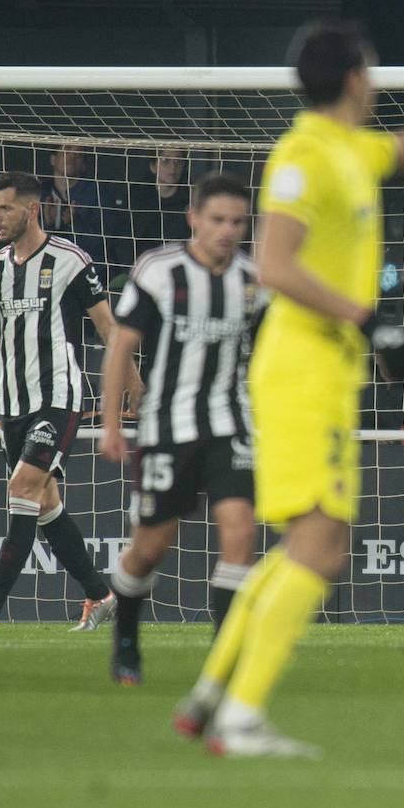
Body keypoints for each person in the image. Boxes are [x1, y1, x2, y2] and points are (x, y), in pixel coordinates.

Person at [172, 18, 404, 758]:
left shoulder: (352, 149)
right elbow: (274, 264)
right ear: (351, 76)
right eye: (371, 67)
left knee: (312, 545)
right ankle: (242, 716)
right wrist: (370, 320)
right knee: (319, 546)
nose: (376, 79)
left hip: (324, 371)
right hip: (301, 372)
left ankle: (214, 690)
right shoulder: (301, 155)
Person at [0, 171, 141, 632]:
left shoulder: (69, 260)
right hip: (12, 405)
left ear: (32, 209)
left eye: (5, 208)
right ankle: (101, 595)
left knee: (23, 488)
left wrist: (134, 383)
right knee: (44, 504)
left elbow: (108, 328)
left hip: (58, 398)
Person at [98, 173, 263, 685]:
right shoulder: (158, 270)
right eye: (217, 219)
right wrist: (110, 423)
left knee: (240, 535)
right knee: (151, 549)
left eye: (237, 221)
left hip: (230, 423)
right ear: (194, 218)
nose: (227, 230)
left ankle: (225, 662)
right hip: (167, 427)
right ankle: (126, 638)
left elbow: (270, 353)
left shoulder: (254, 281)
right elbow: (121, 345)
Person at [40, 143, 115, 270]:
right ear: (53, 159)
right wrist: (47, 224)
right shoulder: (39, 193)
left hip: (86, 270)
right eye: (67, 151)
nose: (72, 157)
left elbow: (105, 243)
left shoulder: (98, 195)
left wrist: (74, 223)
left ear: (84, 165)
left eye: (78, 154)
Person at [127, 147, 190, 260]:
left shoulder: (191, 201)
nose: (173, 167)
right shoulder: (136, 197)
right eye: (165, 160)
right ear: (153, 166)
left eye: (178, 161)